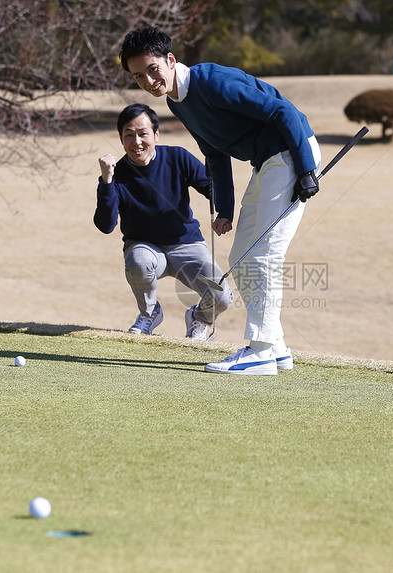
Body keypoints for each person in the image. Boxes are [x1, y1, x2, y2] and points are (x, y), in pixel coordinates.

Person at [120, 27, 322, 376]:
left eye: (153, 69)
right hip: (267, 162)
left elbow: (282, 112)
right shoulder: (175, 101)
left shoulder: (211, 81)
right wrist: (224, 209)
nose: (149, 81)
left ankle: (259, 351)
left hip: (290, 153)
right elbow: (213, 151)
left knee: (263, 255)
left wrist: (305, 168)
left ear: (170, 60)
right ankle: (276, 348)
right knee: (241, 255)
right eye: (139, 76)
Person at [93, 103, 232, 339]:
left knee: (221, 295)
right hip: (145, 247)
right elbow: (106, 225)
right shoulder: (116, 175)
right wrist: (106, 181)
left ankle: (199, 319)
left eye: (142, 134)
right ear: (121, 139)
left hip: (188, 246)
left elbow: (212, 189)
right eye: (129, 135)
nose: (136, 142)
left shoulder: (177, 157)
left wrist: (223, 208)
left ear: (156, 135)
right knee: (138, 261)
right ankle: (149, 314)